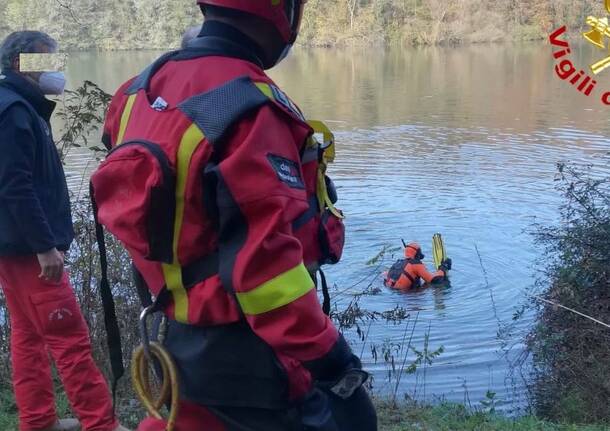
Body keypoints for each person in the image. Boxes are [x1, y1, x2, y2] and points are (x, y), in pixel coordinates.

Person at [96, 1, 376, 430]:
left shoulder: (136, 92)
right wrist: (336, 365)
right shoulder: (249, 105)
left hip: (177, 341)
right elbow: (267, 274)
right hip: (252, 362)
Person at [0, 31, 128, 431]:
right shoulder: (13, 110)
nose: (57, 69)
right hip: (28, 250)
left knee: (27, 334)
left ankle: (38, 421)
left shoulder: (18, 105)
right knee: (68, 336)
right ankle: (100, 424)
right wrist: (44, 247)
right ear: (23, 64)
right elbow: (14, 185)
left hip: (15, 245)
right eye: (48, 61)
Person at [384, 242, 451, 291]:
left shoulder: (398, 263)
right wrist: (443, 267)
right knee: (435, 283)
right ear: (417, 255)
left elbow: (383, 275)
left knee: (424, 284)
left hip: (389, 289)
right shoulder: (415, 264)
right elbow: (434, 280)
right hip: (405, 296)